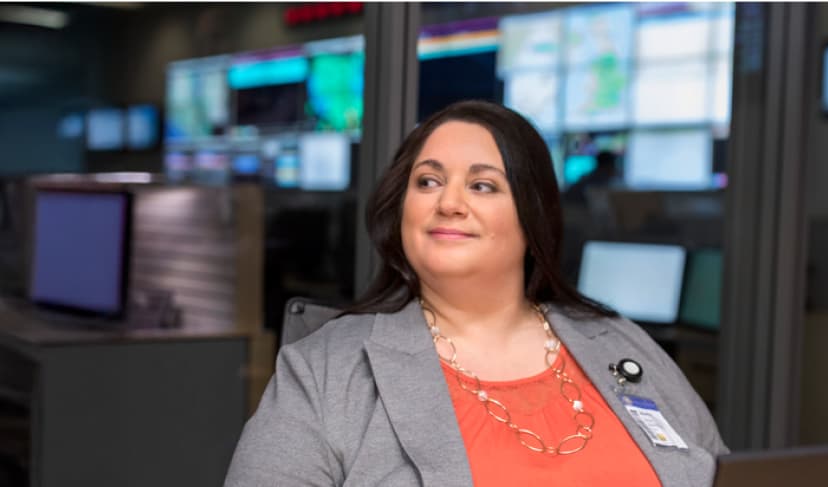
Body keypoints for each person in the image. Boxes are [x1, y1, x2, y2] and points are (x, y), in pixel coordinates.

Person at [224, 100, 727, 487]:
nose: (449, 203)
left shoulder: (621, 344)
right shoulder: (325, 371)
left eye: (483, 186)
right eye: (427, 182)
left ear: (532, 217)